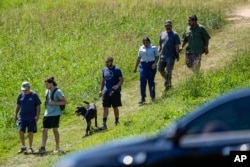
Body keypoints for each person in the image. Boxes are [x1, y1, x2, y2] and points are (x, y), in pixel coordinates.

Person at [38, 77, 67, 153]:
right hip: (47, 113)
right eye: (45, 85)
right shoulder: (46, 91)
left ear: (51, 83)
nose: (46, 86)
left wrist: (54, 103)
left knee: (55, 130)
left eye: (47, 84)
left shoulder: (58, 91)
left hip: (55, 113)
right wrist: (46, 102)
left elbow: (64, 101)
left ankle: (57, 147)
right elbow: (48, 100)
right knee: (44, 130)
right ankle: (43, 147)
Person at [14, 81, 41, 154]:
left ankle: (30, 147)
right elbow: (18, 105)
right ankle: (23, 146)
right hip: (22, 117)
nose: (24, 91)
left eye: (26, 90)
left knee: (30, 132)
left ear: (29, 88)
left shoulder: (34, 95)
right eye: (23, 90)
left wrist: (37, 115)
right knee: (20, 131)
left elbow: (38, 106)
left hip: (31, 117)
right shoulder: (20, 95)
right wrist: (15, 115)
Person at [99, 57, 123, 130]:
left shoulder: (117, 70)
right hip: (106, 91)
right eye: (106, 62)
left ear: (111, 62)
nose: (106, 63)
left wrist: (117, 85)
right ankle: (104, 123)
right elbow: (103, 81)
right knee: (105, 107)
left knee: (115, 107)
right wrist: (101, 90)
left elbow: (121, 80)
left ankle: (116, 121)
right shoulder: (104, 70)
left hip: (114, 92)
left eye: (108, 62)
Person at [133, 37, 159, 104]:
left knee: (151, 81)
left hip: (151, 65)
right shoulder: (141, 48)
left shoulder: (153, 48)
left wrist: (155, 63)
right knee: (142, 80)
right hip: (143, 65)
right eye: (144, 43)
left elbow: (157, 56)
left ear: (149, 42)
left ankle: (152, 97)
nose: (145, 44)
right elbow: (139, 58)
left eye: (146, 43)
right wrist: (135, 67)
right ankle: (143, 98)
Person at [158, 20, 181, 91]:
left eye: (169, 25)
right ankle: (168, 80)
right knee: (160, 69)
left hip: (171, 56)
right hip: (163, 56)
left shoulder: (175, 34)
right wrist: (157, 52)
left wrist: (177, 54)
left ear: (171, 26)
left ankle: (167, 86)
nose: (168, 27)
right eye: (166, 26)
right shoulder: (162, 34)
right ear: (165, 26)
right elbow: (160, 45)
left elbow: (177, 45)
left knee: (168, 71)